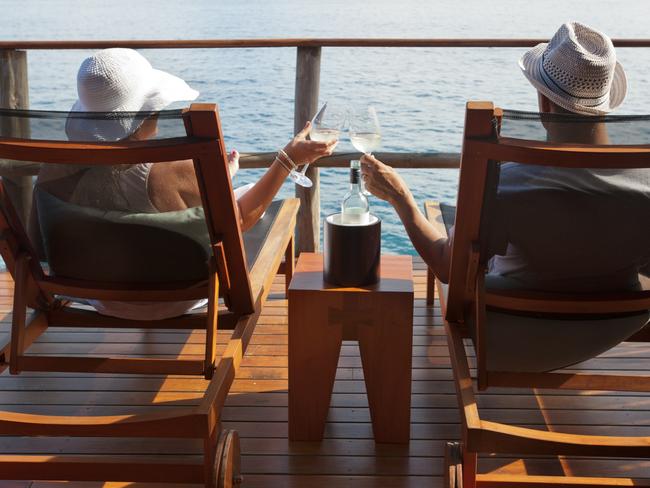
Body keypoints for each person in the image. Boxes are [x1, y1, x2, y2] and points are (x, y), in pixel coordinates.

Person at [35, 48, 336, 319]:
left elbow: (42, 238)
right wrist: (287, 160)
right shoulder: (173, 173)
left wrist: (217, 180)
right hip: (178, 297)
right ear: (151, 111)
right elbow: (241, 218)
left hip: (98, 296)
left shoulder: (55, 170)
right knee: (275, 213)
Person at [361, 22, 650, 292]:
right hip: (616, 324)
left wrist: (399, 196)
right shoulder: (643, 179)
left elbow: (447, 267)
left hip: (518, 329)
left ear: (545, 103)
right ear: (605, 101)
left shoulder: (508, 182)